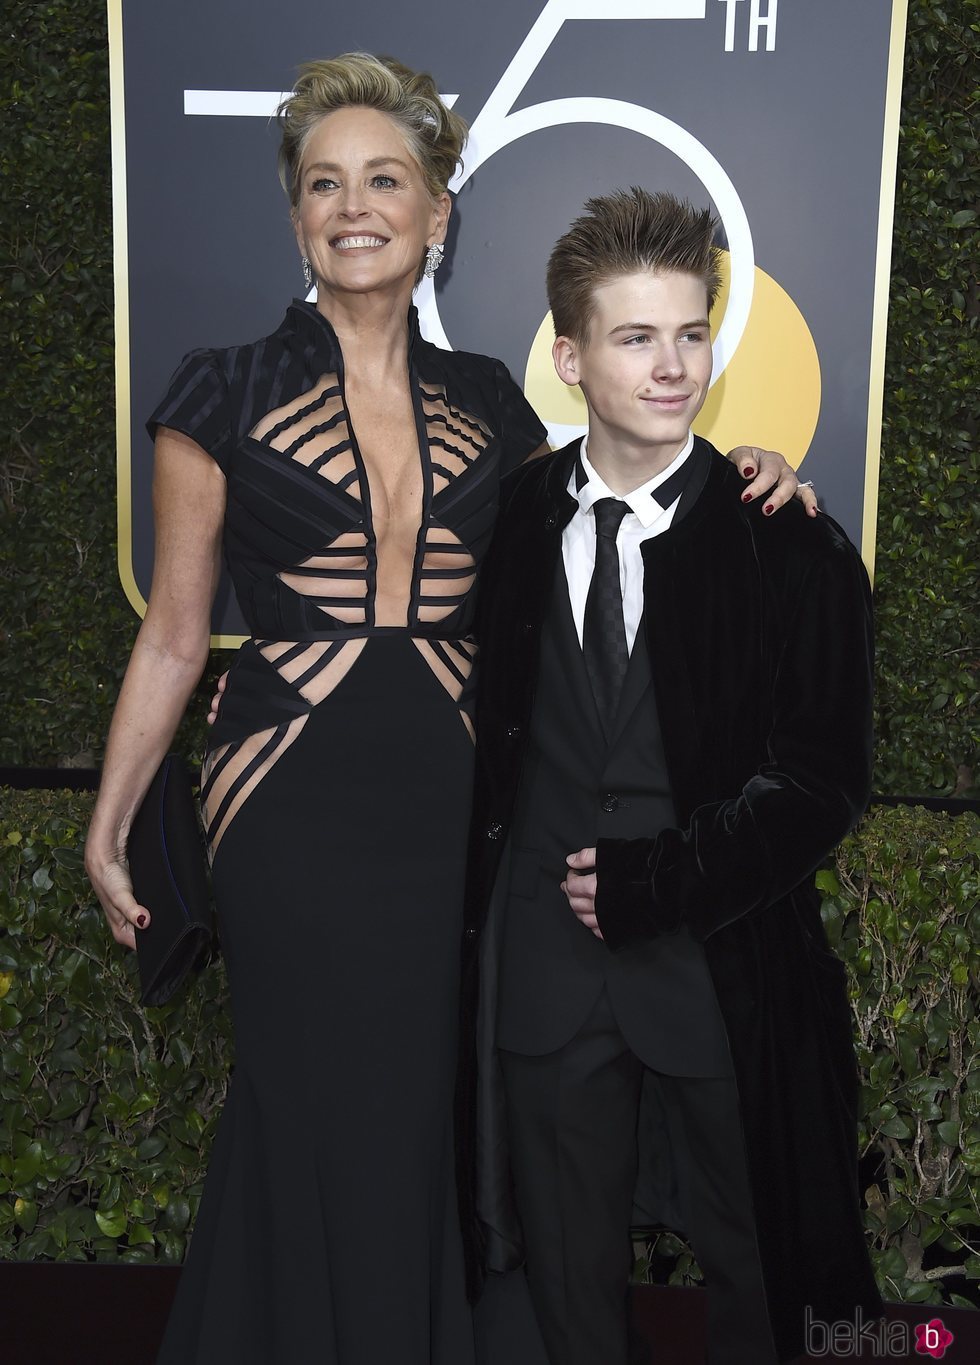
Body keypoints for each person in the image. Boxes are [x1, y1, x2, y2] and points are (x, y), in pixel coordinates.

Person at [85, 52, 811, 1365]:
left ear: (437, 213)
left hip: (456, 800)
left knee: (440, 1096)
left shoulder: (492, 400)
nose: (352, 205)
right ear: (297, 214)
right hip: (284, 793)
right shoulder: (218, 390)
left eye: (386, 180)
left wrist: (746, 470)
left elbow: (616, 498)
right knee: (307, 1090)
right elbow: (178, 632)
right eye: (323, 183)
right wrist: (111, 819)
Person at [463, 188, 881, 1365]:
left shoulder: (786, 539)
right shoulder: (511, 522)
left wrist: (664, 881)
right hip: (543, 980)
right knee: (564, 1294)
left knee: (761, 1275)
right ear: (568, 356)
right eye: (635, 337)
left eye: (690, 334)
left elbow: (822, 781)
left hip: (718, 970)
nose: (671, 367)